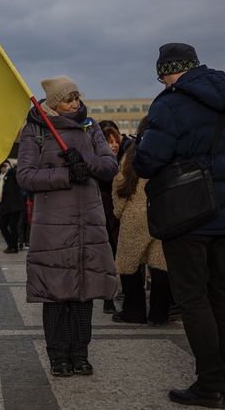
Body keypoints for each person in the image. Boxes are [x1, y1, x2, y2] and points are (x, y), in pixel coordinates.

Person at [133, 43, 225, 408]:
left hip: (187, 215)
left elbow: (146, 163)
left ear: (167, 71)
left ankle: (210, 384)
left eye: (161, 74)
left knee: (194, 299)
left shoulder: (170, 103)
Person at [17, 75, 119, 377]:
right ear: (53, 103)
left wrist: (84, 160)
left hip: (88, 222)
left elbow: (109, 167)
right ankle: (58, 355)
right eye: (68, 98)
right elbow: (25, 176)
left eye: (77, 96)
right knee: (56, 293)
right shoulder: (35, 130)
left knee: (83, 292)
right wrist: (65, 175)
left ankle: (80, 353)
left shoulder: (91, 127)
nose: (75, 102)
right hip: (53, 226)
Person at [111, 116, 171, 325]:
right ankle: (159, 314)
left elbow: (120, 185)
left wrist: (119, 212)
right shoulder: (167, 151)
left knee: (130, 267)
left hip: (133, 216)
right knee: (160, 267)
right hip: (161, 215)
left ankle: (133, 312)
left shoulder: (131, 154)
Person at [98, 123, 123, 314]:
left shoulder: (125, 161)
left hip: (120, 218)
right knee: (107, 259)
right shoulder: (99, 165)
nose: (113, 145)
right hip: (104, 218)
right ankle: (108, 298)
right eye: (109, 142)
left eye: (116, 141)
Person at [0, 160, 25, 253]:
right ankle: (11, 245)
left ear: (6, 166)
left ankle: (14, 247)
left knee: (13, 227)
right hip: (4, 207)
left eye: (3, 167)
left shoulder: (12, 174)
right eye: (1, 169)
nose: (2, 170)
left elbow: (16, 173)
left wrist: (11, 167)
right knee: (2, 225)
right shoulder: (0, 178)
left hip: (14, 206)